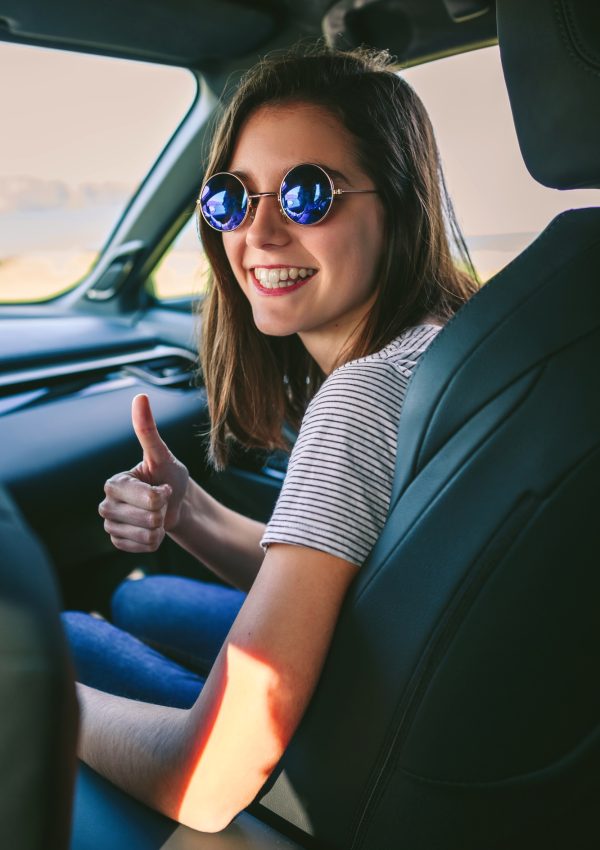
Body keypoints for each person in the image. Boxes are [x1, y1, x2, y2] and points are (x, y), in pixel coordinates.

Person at [63, 45, 478, 832]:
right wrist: (188, 510)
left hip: (357, 760)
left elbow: (207, 781)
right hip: (413, 689)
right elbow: (350, 573)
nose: (259, 232)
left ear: (397, 203)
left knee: (64, 636)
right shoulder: (446, 343)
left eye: (308, 194)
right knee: (136, 596)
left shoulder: (361, 397)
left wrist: (35, 696)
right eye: (231, 199)